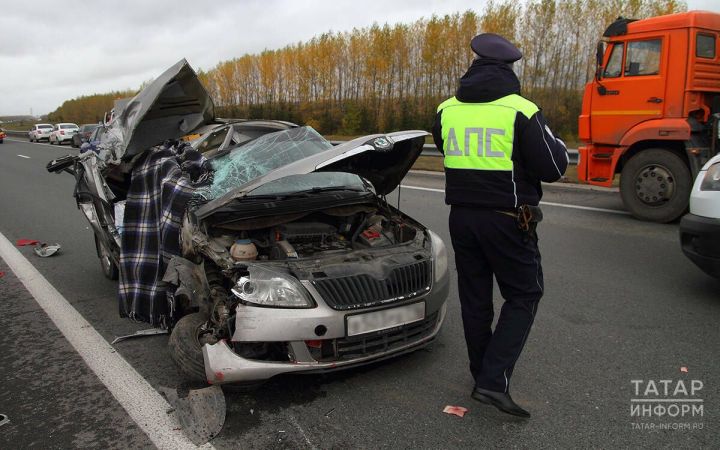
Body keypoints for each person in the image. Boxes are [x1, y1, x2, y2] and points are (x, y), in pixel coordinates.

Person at [432, 33, 568, 418]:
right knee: (525, 294)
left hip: (461, 216)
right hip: (508, 220)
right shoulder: (521, 110)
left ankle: (482, 375)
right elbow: (554, 167)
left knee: (475, 299)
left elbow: (448, 150)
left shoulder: (447, 109)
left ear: (473, 66)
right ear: (509, 68)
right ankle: (492, 382)